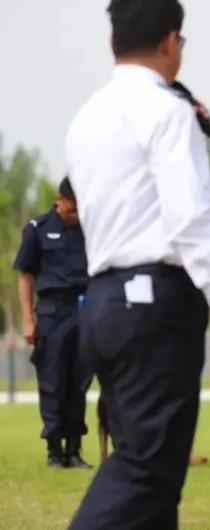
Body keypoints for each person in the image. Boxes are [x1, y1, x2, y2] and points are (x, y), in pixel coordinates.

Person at [63, 0, 210, 528]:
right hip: (153, 300)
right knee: (147, 466)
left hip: (103, 301)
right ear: (172, 41)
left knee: (154, 474)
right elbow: (187, 217)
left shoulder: (88, 116)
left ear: (112, 43)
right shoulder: (167, 112)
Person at [12, 177, 93, 469]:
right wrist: (28, 319)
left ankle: (74, 450)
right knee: (52, 381)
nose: (76, 216)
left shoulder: (91, 229)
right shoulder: (38, 229)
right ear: (59, 200)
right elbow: (24, 274)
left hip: (85, 310)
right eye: (72, 210)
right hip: (52, 311)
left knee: (79, 382)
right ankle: (54, 451)